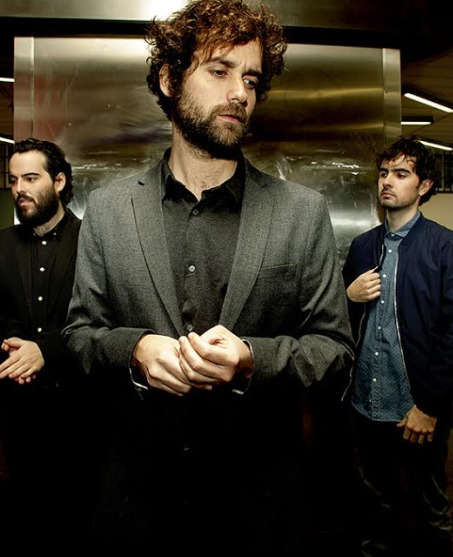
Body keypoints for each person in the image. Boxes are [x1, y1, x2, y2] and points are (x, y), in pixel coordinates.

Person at [63, 0, 353, 551]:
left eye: (251, 79)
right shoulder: (109, 209)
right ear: (169, 79)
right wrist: (135, 350)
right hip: (140, 498)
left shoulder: (301, 211)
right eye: (220, 71)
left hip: (259, 501)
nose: (240, 93)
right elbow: (79, 337)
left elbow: (335, 350)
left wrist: (252, 359)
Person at [342, 136, 453, 556]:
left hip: (416, 406)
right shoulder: (363, 246)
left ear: (424, 185)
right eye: (384, 173)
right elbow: (335, 321)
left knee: (428, 506)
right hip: (364, 402)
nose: (387, 182)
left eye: (401, 174)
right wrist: (347, 296)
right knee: (374, 503)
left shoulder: (450, 248)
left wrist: (430, 406)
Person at [0, 138, 89, 540]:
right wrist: (12, 343)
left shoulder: (92, 240)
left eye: (31, 178)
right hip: (15, 403)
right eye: (14, 179)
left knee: (77, 504)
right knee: (27, 503)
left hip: (78, 403)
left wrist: (46, 350)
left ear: (59, 181)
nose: (19, 188)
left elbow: (104, 317)